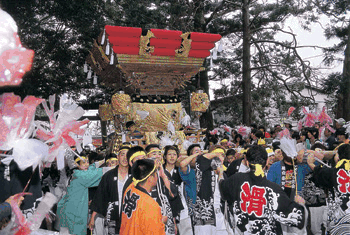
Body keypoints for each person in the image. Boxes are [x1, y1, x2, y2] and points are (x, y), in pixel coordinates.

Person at [218, 145, 306, 234]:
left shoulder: (236, 179)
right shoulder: (273, 189)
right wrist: (301, 204)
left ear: (247, 162)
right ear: (267, 161)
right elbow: (297, 218)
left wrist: (220, 173)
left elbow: (222, 188)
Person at [57, 154, 105, 235]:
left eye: (87, 162)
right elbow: (98, 173)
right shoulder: (81, 176)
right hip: (73, 213)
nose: (87, 164)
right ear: (77, 164)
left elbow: (91, 167)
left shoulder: (76, 172)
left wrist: (104, 160)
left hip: (67, 210)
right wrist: (116, 166)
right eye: (84, 162)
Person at [307, 143, 350, 234]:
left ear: (338, 156)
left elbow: (319, 172)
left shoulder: (333, 172)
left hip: (339, 221)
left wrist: (310, 163)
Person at [89, 146, 130, 235]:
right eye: (122, 155)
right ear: (118, 157)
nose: (125, 158)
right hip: (113, 218)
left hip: (130, 218)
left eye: (128, 155)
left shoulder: (135, 176)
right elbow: (100, 196)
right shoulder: (108, 176)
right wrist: (93, 218)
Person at [120, 159, 165, 235]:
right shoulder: (150, 205)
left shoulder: (129, 189)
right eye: (155, 173)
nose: (157, 175)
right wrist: (160, 220)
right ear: (150, 178)